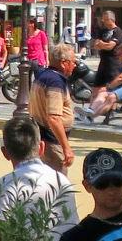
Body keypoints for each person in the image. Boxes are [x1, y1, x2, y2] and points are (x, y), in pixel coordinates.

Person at [0, 114, 78, 229]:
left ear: (5, 153)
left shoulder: (2, 185)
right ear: (41, 148)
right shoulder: (62, 181)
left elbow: (2, 234)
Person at [28, 42, 78, 172]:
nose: (74, 65)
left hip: (43, 137)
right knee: (58, 182)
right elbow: (54, 118)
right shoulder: (54, 82)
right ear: (63, 63)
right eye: (73, 61)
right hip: (51, 141)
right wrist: (66, 147)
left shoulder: (44, 76)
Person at [85, 43, 122, 122]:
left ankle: (91, 117)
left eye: (119, 55)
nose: (117, 57)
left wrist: (109, 86)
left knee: (111, 96)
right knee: (102, 93)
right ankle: (90, 111)